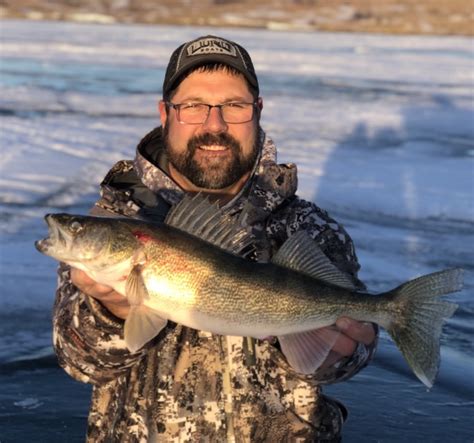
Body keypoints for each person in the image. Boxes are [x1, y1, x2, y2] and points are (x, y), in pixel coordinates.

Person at [53, 35, 377, 442]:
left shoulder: (307, 228)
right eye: (193, 106)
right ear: (165, 113)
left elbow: (355, 353)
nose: (214, 124)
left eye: (234, 106)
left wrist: (337, 354)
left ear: (257, 111)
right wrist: (110, 313)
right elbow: (79, 362)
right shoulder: (119, 218)